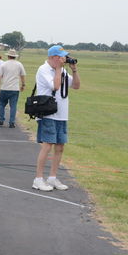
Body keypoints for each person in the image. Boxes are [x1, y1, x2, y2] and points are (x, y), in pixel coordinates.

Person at [33, 45, 81, 192]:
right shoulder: (44, 69)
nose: (64, 59)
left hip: (61, 114)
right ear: (54, 57)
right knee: (47, 145)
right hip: (48, 113)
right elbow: (55, 86)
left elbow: (77, 86)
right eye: (61, 57)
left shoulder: (63, 71)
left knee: (60, 147)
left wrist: (73, 69)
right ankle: (38, 179)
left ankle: (52, 177)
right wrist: (59, 69)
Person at [0, 49, 26, 128]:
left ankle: (1, 120)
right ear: (15, 56)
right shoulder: (19, 64)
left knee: (2, 104)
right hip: (14, 89)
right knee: (13, 106)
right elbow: (22, 75)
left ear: (8, 56)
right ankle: (12, 122)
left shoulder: (4, 64)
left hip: (4, 88)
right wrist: (23, 85)